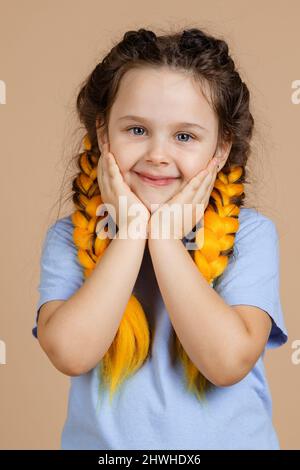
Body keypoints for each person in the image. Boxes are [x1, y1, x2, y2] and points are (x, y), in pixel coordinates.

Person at [32, 27, 288, 450]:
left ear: (221, 149)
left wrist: (165, 239)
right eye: (136, 130)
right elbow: (71, 353)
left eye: (184, 136)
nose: (157, 154)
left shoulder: (251, 235)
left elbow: (226, 362)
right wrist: (132, 233)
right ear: (102, 133)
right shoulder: (68, 238)